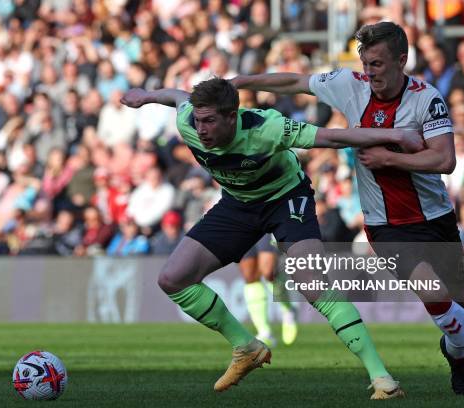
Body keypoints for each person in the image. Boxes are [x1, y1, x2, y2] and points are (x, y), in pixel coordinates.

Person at [231, 21, 464, 397]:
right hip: (387, 226)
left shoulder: (426, 97)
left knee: (456, 310)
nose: (369, 73)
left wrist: (388, 159)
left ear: (402, 60)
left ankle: (458, 358)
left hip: (436, 218)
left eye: (378, 64)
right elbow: (294, 83)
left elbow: (445, 159)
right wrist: (239, 83)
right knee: (432, 292)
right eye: (365, 64)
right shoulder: (350, 85)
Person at [121, 78, 424, 398]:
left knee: (310, 280)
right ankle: (246, 347)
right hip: (238, 204)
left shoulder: (268, 128)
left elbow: (333, 138)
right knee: (173, 278)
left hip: (286, 198)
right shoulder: (189, 121)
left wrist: (396, 134)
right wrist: (147, 96)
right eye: (198, 120)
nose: (202, 129)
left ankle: (382, 379)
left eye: (210, 121)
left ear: (232, 116)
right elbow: (178, 96)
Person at [240, 233, 298, 347]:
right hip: (241, 224)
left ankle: (287, 310)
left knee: (268, 272)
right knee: (249, 276)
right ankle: (265, 332)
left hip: (267, 224)